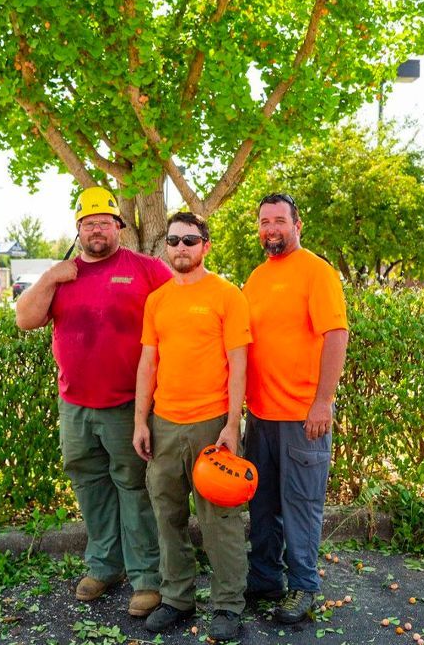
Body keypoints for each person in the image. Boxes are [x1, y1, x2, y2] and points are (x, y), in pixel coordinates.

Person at [15, 187, 171, 618]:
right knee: (91, 487)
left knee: (134, 488)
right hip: (76, 408)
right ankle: (104, 567)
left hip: (127, 406)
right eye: (88, 223)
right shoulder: (61, 275)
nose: (96, 229)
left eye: (104, 221)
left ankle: (146, 579)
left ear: (118, 227)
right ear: (78, 229)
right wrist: (49, 277)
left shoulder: (145, 269)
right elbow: (25, 319)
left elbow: (180, 310)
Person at [133, 212, 252, 642]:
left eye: (190, 240)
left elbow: (239, 362)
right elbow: (149, 362)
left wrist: (232, 424)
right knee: (167, 515)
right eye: (174, 240)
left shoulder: (226, 295)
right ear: (165, 246)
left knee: (220, 519)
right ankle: (178, 598)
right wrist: (140, 421)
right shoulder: (157, 300)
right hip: (164, 425)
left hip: (211, 425)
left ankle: (227, 604)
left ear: (206, 245)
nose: (181, 247)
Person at [242, 193, 349, 624]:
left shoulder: (316, 272)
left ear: (297, 225)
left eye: (279, 220)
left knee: (301, 504)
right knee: (262, 503)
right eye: (265, 221)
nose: (272, 228)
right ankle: (266, 578)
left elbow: (336, 335)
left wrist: (322, 402)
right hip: (261, 416)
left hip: (303, 416)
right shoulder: (256, 277)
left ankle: (304, 587)